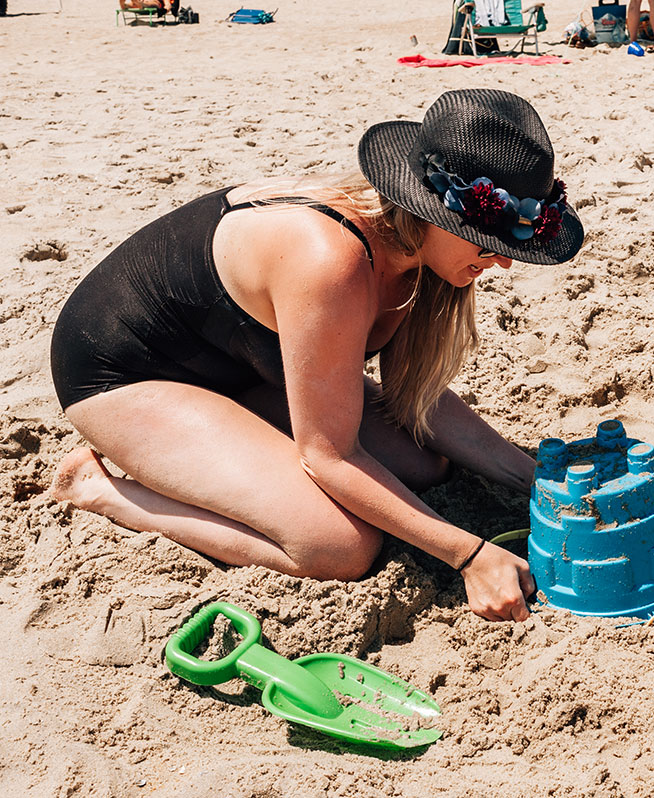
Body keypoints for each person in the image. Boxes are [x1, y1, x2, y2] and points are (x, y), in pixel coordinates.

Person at [49, 89, 583, 623]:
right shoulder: (330, 260)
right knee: (340, 546)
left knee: (421, 466)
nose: (504, 265)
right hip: (125, 373)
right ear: (433, 213)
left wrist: (534, 477)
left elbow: (414, 399)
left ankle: (238, 442)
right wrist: (469, 556)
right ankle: (106, 493)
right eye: (488, 243)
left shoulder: (421, 253)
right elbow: (329, 456)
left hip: (244, 366)